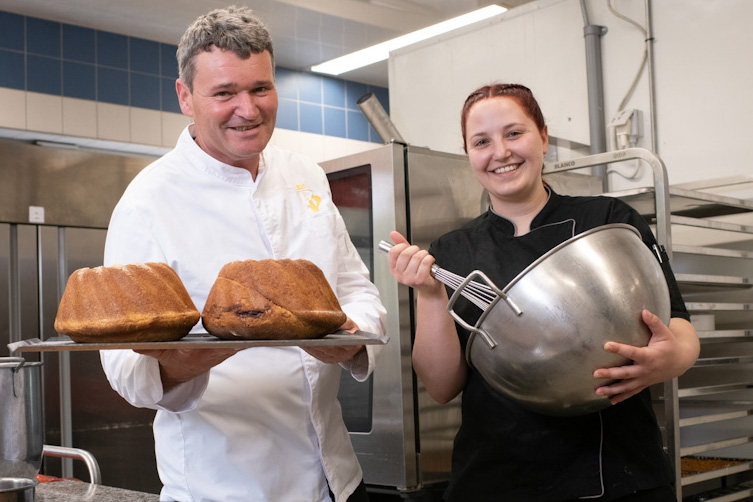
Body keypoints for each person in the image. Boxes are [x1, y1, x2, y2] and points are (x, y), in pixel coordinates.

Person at [100, 6, 386, 502]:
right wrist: (203, 354)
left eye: (260, 88)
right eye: (225, 93)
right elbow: (125, 367)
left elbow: (355, 289)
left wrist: (353, 338)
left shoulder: (305, 175)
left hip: (336, 480)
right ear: (185, 97)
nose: (248, 109)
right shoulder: (148, 202)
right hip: (227, 488)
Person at [386, 83, 699, 502]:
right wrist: (428, 294)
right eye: (482, 141)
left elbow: (679, 328)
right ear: (468, 154)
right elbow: (442, 387)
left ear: (543, 137)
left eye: (514, 133)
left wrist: (667, 361)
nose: (500, 152)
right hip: (493, 479)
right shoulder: (452, 250)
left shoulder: (608, 220)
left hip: (614, 472)